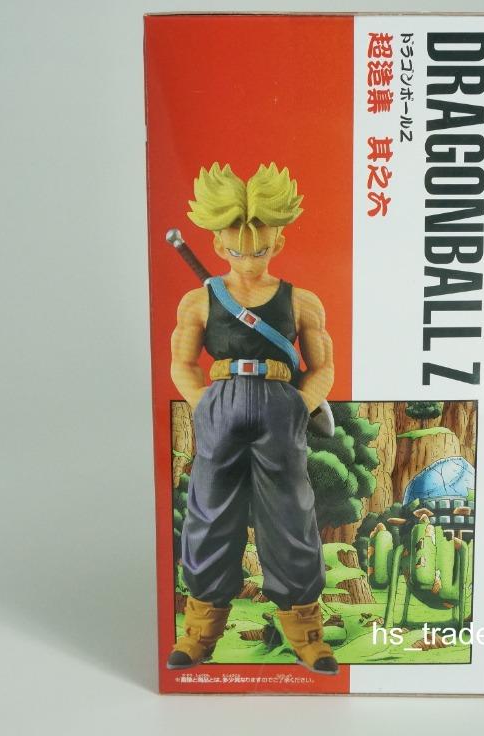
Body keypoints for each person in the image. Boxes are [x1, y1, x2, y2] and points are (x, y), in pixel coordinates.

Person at [167, 162, 338, 675]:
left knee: (290, 515)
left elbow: (322, 367)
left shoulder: (301, 302)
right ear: (218, 245)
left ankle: (306, 634)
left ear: (277, 243)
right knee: (209, 513)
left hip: (279, 405)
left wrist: (299, 406)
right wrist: (205, 405)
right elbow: (182, 362)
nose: (248, 260)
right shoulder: (199, 301)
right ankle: (199, 633)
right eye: (238, 251)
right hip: (221, 404)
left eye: (259, 250)